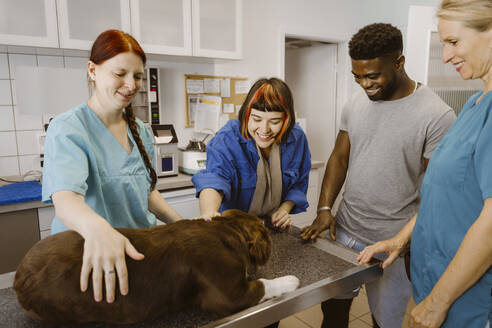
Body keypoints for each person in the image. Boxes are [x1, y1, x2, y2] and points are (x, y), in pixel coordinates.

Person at [300, 23, 456, 328]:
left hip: (393, 243)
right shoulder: (356, 103)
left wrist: (404, 241)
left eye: (373, 76)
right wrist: (323, 208)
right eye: (357, 77)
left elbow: (436, 194)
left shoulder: (437, 116)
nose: (364, 85)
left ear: (399, 63)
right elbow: (339, 157)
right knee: (333, 314)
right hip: (345, 231)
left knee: (383, 321)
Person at [358, 1, 492, 327]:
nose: (445, 56)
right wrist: (400, 239)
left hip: (468, 299)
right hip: (436, 279)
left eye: (454, 42)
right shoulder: (475, 104)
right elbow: (443, 198)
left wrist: (436, 303)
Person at [42, 30, 183, 304]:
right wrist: (100, 230)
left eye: (138, 76)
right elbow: (66, 200)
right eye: (120, 73)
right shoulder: (68, 128)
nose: (131, 84)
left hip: (139, 256)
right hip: (86, 260)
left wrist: (182, 224)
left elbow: (146, 193)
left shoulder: (140, 131)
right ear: (92, 70)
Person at [192, 77, 311, 230]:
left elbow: (298, 183)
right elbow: (214, 179)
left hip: (272, 227)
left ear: (286, 120)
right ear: (247, 115)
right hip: (234, 229)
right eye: (257, 119)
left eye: (274, 122)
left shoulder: (296, 138)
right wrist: (209, 214)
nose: (264, 129)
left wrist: (284, 209)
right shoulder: (228, 138)